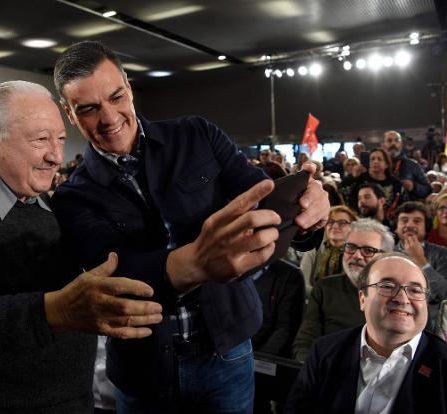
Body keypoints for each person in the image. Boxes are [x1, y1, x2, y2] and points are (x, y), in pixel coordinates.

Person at [51, 40, 330, 412]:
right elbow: (118, 276)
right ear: (69, 114)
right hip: (143, 371)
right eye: (88, 109)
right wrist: (199, 262)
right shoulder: (72, 198)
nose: (108, 117)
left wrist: (307, 209)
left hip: (227, 351)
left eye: (116, 97)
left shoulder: (198, 135)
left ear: (129, 87)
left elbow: (262, 200)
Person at [0, 80, 163, 413]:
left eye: (61, 140)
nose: (56, 156)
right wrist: (52, 311)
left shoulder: (44, 201)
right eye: (41, 140)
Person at [286, 252, 447, 413]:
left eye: (415, 290)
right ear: (362, 299)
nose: (402, 299)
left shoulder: (442, 362)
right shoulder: (325, 351)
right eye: (387, 286)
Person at [293, 219, 395, 362]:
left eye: (368, 250)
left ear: (385, 257)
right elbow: (305, 341)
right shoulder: (325, 287)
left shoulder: (399, 295)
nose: (357, 256)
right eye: (351, 247)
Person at [393, 201, 447, 327]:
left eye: (417, 221)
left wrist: (420, 260)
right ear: (396, 227)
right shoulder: (385, 254)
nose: (410, 225)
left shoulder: (442, 253)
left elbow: (443, 294)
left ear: (426, 228)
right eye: (404, 220)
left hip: (431, 324)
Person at [300, 205, 357, 291]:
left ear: (353, 227)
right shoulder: (314, 249)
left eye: (342, 222)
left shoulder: (356, 254)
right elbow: (303, 284)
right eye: (330, 221)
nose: (335, 226)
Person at [382, 130, 432, 201]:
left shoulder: (413, 165)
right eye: (389, 141)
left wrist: (413, 186)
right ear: (383, 145)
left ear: (401, 144)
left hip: (407, 209)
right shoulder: (375, 165)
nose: (393, 143)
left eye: (397, 141)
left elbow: (428, 189)